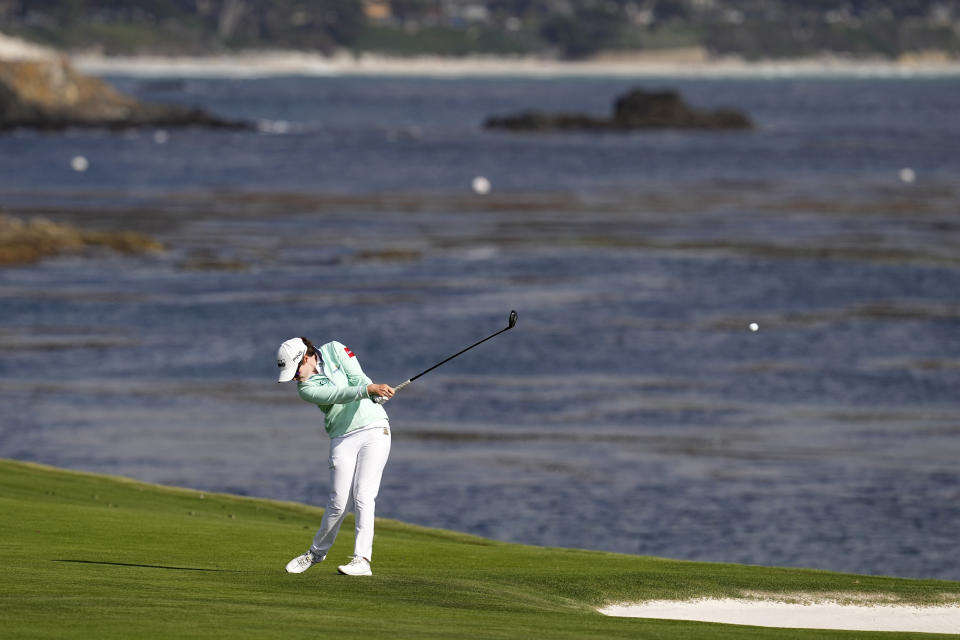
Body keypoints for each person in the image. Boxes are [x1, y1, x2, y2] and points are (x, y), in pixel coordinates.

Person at [276, 336, 395, 577]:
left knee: (363, 495)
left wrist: (372, 393)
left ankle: (362, 560)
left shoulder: (335, 349)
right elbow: (336, 394)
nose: (294, 378)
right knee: (338, 502)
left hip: (374, 428)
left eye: (295, 371)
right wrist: (368, 390)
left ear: (306, 358)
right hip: (342, 437)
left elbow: (357, 377)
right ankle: (316, 553)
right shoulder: (306, 389)